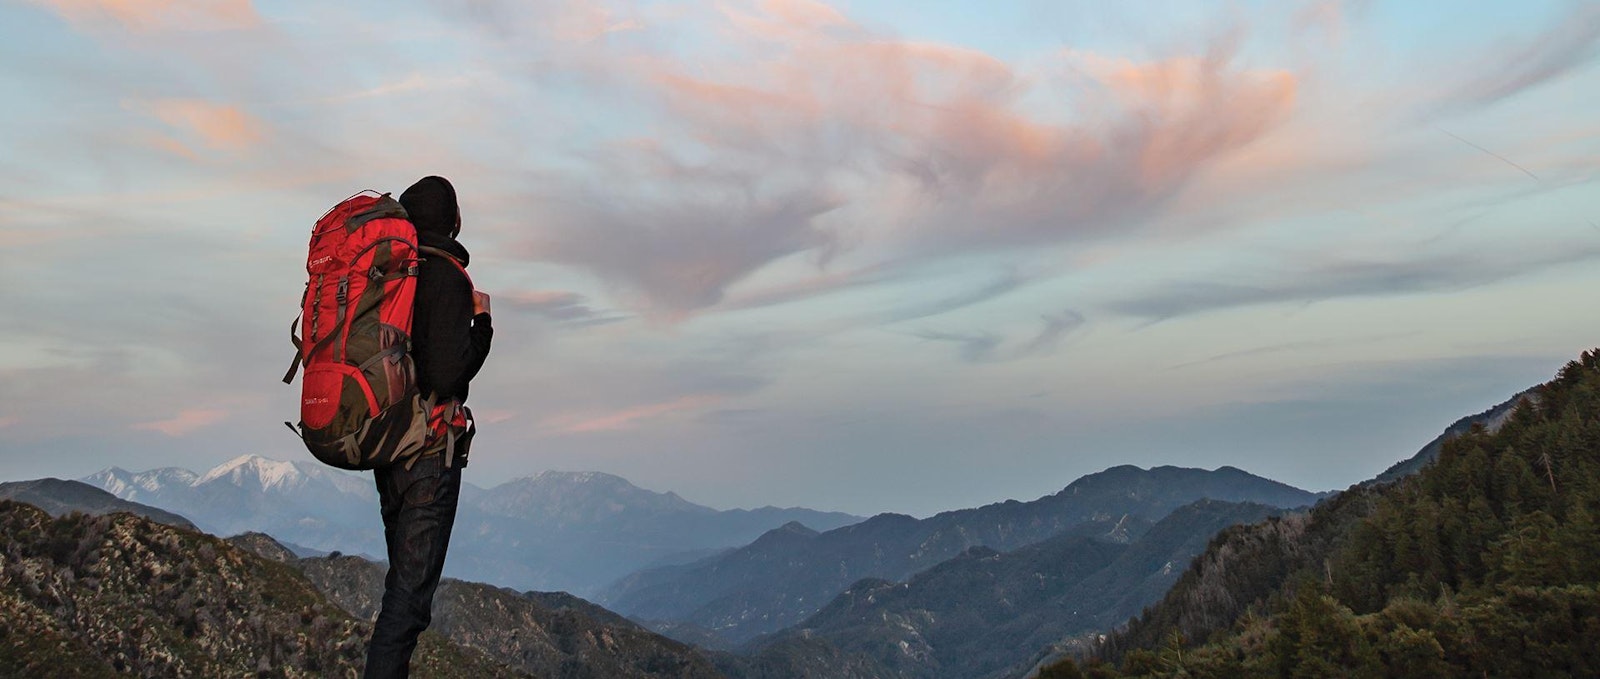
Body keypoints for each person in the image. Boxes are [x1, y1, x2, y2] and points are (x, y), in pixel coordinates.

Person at [364, 175, 493, 678]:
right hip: (428, 455)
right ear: (453, 220)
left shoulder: (396, 276)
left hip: (389, 451)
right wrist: (481, 324)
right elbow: (445, 373)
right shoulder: (444, 277)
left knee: (402, 589)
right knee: (408, 603)